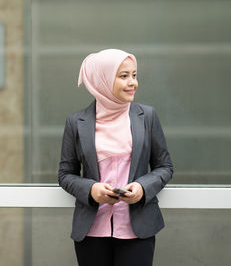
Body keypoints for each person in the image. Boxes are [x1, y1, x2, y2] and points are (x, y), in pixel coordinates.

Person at [58, 49, 173, 266]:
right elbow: (65, 175)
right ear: (102, 80)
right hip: (91, 231)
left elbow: (164, 166)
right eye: (123, 76)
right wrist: (91, 190)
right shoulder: (76, 122)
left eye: (134, 75)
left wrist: (141, 187)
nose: (133, 83)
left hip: (137, 229)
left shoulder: (147, 116)